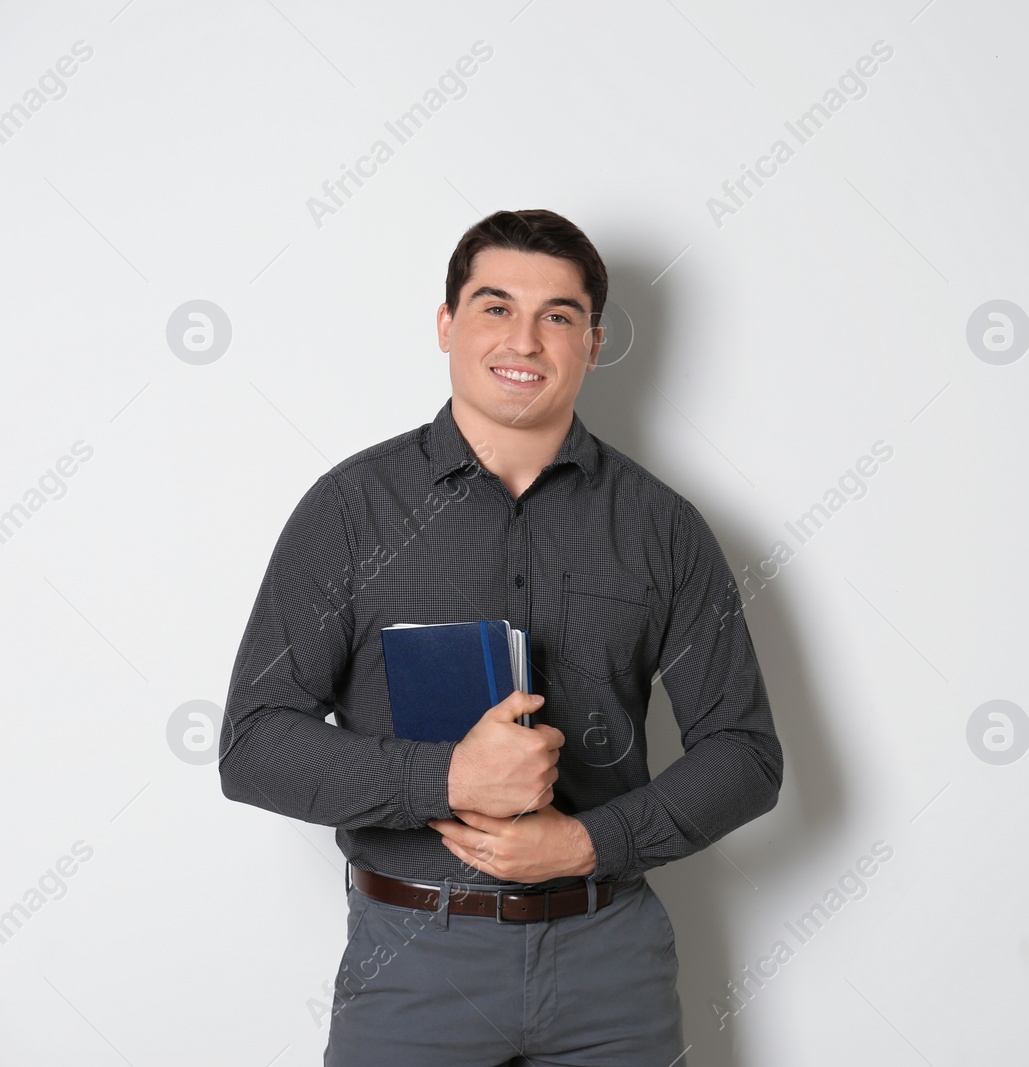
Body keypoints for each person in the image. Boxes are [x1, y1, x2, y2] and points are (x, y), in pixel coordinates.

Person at [219, 209, 783, 1066]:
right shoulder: (348, 511)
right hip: (413, 961)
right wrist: (445, 775)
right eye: (495, 306)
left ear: (593, 343)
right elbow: (253, 744)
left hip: (612, 968)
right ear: (447, 324)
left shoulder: (663, 527)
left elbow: (745, 753)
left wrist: (592, 841)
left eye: (557, 315)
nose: (525, 338)